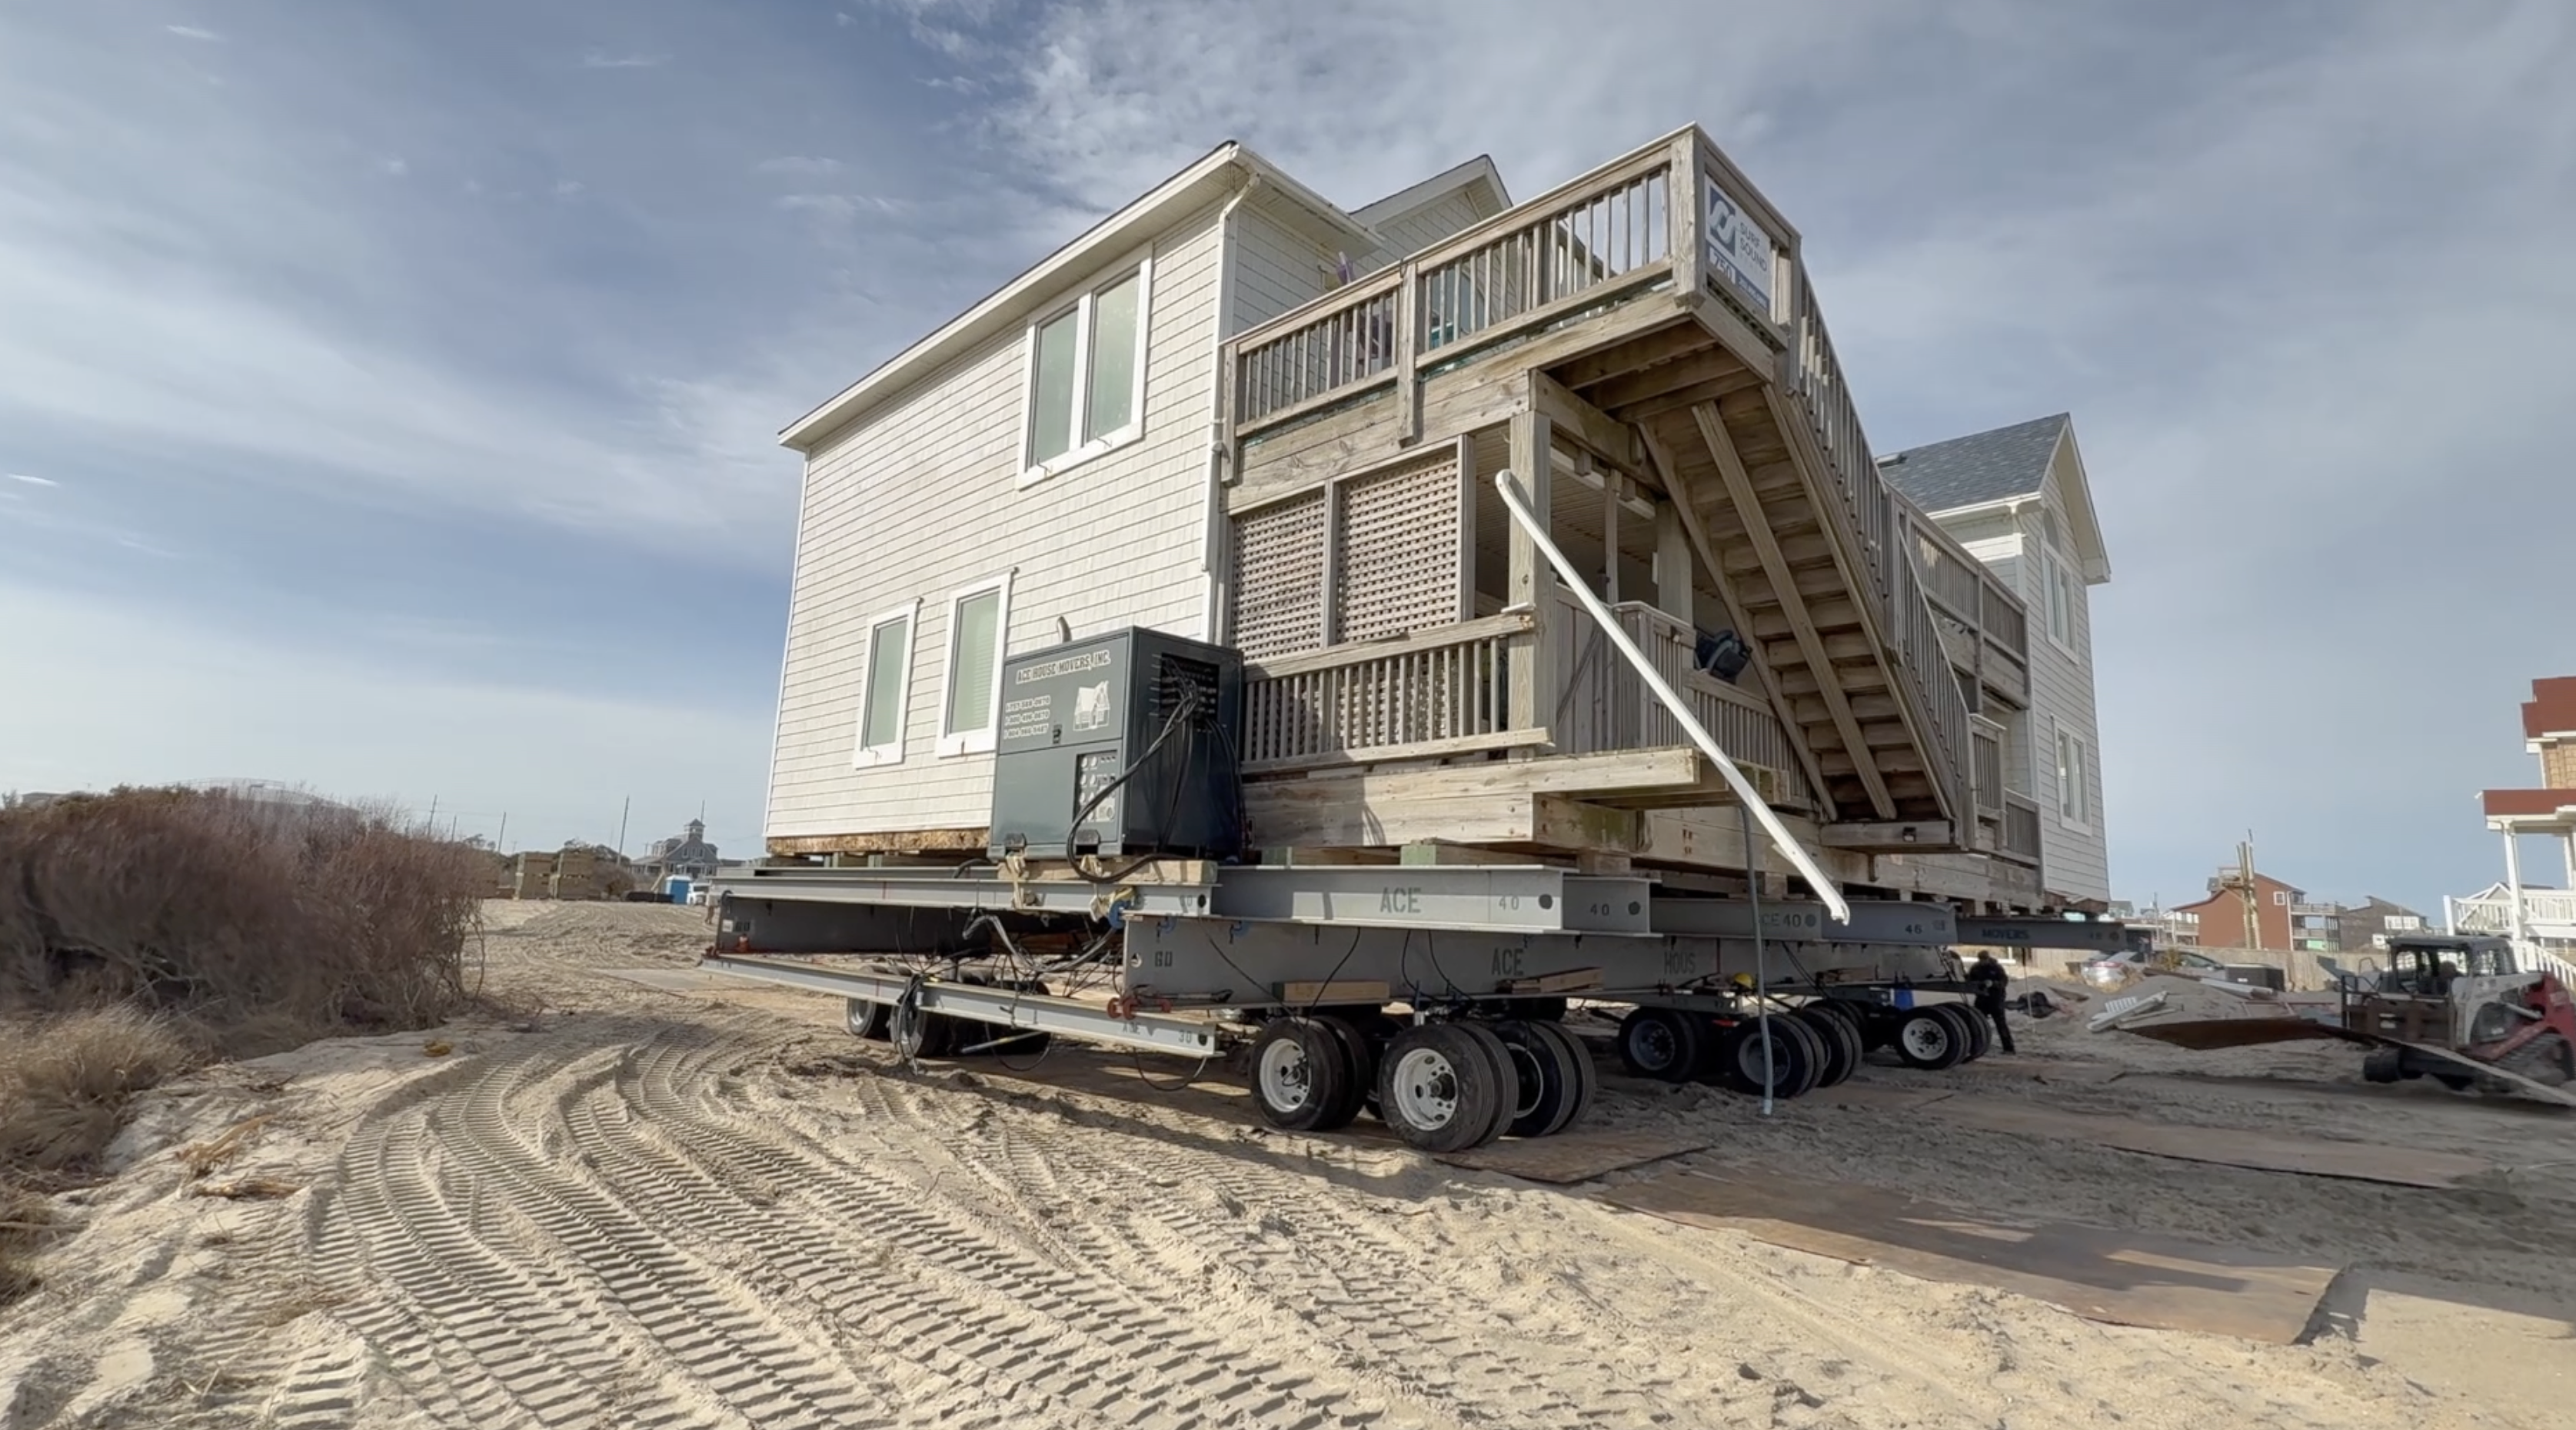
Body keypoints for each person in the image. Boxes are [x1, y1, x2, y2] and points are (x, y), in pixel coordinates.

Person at [1967, 951, 2017, 1054]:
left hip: (1996, 998)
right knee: (1977, 1022)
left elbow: (2004, 982)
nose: (1983, 961)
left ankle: (2009, 1048)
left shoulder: (1996, 968)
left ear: (1988, 958)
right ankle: (1976, 1047)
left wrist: (1993, 984)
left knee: (2001, 1024)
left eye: (1985, 959)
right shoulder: (1976, 968)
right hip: (1982, 998)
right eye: (1981, 959)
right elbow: (1970, 979)